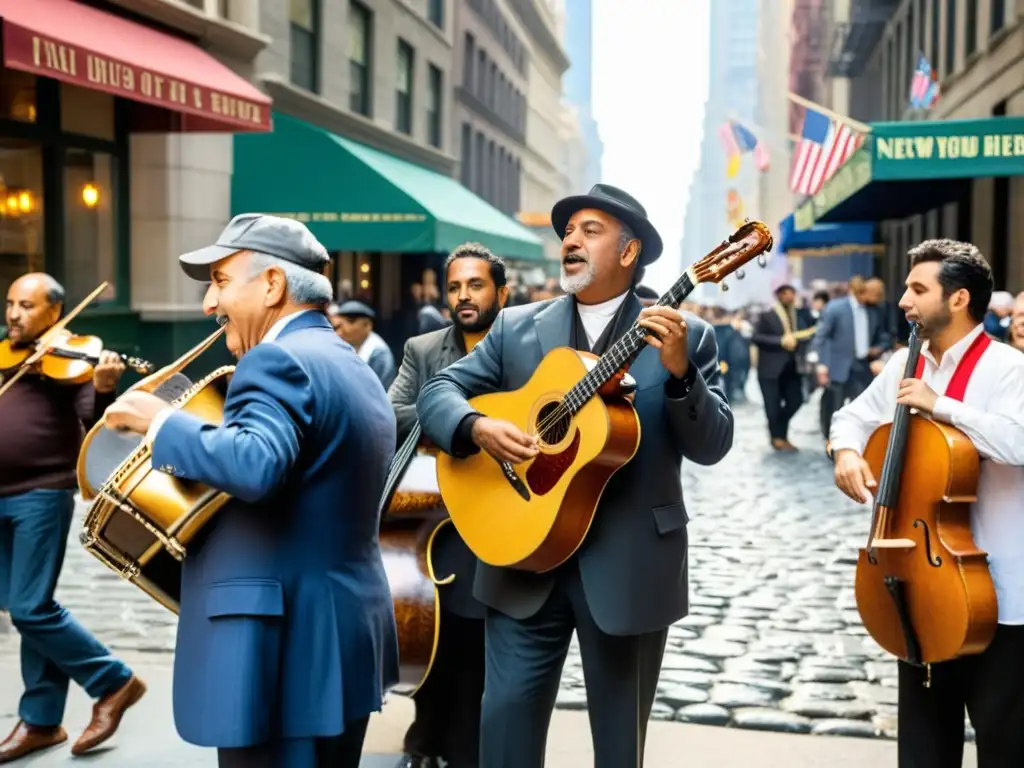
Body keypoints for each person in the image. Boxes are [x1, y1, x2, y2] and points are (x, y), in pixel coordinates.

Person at [416, 184, 734, 767]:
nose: (571, 241)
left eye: (591, 231)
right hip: (519, 554)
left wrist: (683, 375)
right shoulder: (515, 327)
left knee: (618, 745)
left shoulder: (687, 337)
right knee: (504, 726)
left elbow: (712, 446)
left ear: (630, 252)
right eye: (567, 231)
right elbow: (440, 390)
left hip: (629, 564)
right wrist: (477, 428)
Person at [102, 214, 400, 768]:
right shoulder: (350, 364)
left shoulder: (275, 359)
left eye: (219, 281)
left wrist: (161, 423)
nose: (208, 304)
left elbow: (256, 464)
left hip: (277, 650)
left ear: (272, 285)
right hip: (335, 633)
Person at [830, 239, 1024, 768]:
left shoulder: (1009, 368)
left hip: (1002, 594)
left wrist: (944, 407)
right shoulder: (904, 364)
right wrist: (846, 452)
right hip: (919, 582)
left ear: (958, 299)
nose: (903, 301)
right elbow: (851, 417)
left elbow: (1018, 442)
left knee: (1005, 743)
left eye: (918, 289)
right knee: (922, 745)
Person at [0, 273, 145, 763]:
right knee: (26, 608)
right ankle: (41, 722)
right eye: (10, 303)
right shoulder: (5, 356)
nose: (14, 314)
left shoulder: (72, 363)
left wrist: (104, 389)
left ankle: (114, 681)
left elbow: (98, 429)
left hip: (40, 493)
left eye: (27, 306)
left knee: (29, 607)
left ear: (54, 315)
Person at [387, 242, 510, 768]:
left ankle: (463, 747)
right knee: (435, 634)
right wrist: (463, 420)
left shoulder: (526, 343)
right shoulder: (423, 348)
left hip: (502, 513)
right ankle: (426, 736)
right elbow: (391, 415)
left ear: (501, 292)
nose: (463, 296)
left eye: (476, 285)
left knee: (480, 647)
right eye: (455, 286)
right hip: (432, 518)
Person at [813, 276, 890, 439]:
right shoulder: (836, 308)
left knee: (863, 406)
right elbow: (822, 336)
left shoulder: (874, 310)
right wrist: (822, 364)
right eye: (875, 294)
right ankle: (831, 439)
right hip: (838, 365)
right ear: (862, 291)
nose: (878, 299)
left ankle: (858, 439)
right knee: (833, 406)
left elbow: (884, 334)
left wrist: (879, 348)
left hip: (863, 366)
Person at [752, 284, 813, 451]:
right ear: (778, 295)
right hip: (769, 369)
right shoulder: (766, 315)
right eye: (786, 294)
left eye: (792, 293)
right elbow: (756, 337)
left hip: (792, 368)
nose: (790, 297)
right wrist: (780, 341)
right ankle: (778, 438)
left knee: (796, 400)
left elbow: (809, 331)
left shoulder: (799, 315)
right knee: (772, 405)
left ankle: (779, 433)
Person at [329, 300, 398, 389]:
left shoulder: (378, 353)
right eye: (337, 328)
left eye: (343, 325)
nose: (338, 333)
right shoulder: (349, 346)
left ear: (367, 325)